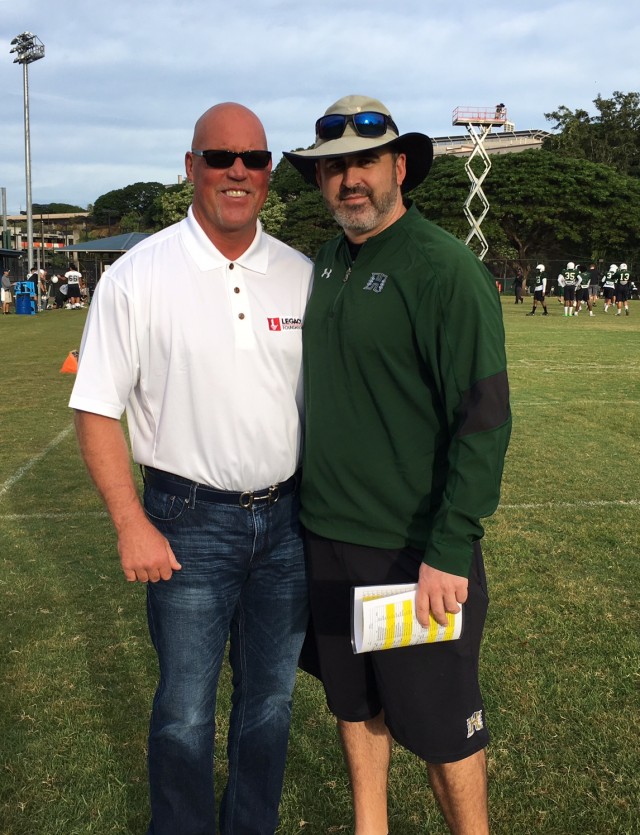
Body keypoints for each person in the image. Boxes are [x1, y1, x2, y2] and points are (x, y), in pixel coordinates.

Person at [69, 102, 313, 835]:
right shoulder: (139, 275)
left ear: (269, 173)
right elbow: (94, 407)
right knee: (184, 710)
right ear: (191, 168)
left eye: (255, 159)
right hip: (185, 522)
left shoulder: (301, 275)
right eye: (220, 158)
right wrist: (129, 521)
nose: (238, 171)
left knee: (269, 705)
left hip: (289, 522)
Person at [284, 95, 511, 835]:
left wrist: (449, 549)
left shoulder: (443, 268)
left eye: (365, 163)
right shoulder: (323, 263)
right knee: (356, 705)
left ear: (399, 166)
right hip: (327, 538)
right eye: (334, 167)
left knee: (444, 730)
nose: (349, 180)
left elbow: (483, 420)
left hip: (413, 550)